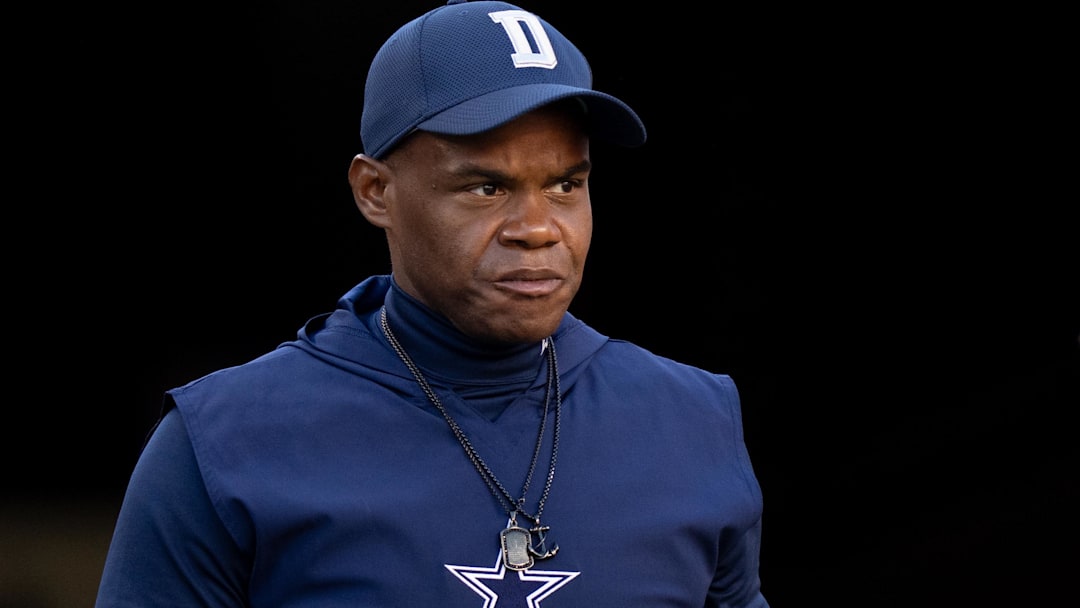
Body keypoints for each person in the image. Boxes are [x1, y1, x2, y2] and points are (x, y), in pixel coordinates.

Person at [95, 1, 770, 605]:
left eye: (566, 184)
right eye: (485, 188)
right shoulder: (223, 443)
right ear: (374, 192)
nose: (537, 228)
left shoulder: (693, 420)